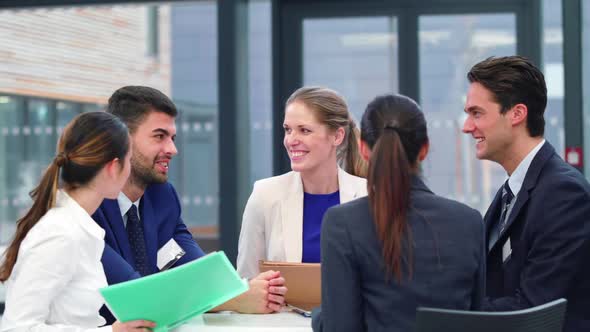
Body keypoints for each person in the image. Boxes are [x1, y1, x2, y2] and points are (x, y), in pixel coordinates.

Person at [92, 86, 287, 324]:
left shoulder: (162, 196)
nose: (173, 150)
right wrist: (236, 297)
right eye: (159, 136)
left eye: (172, 138)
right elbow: (137, 299)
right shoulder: (88, 208)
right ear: (121, 141)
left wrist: (231, 290)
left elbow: (198, 273)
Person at [312, 94, 485, 332]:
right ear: (424, 149)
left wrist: (320, 316)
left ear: (363, 149)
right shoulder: (469, 222)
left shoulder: (342, 224)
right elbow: (478, 318)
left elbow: (340, 327)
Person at [462, 55, 590, 331]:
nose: (466, 126)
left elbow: (535, 308)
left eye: (477, 113)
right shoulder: (511, 191)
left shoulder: (564, 194)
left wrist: (453, 308)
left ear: (517, 114)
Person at [0, 112, 154, 332]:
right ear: (113, 167)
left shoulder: (79, 227)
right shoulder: (61, 234)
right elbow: (16, 329)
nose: (131, 170)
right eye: (129, 160)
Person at [237, 86, 367, 279]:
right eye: (287, 130)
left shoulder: (369, 196)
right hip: (283, 311)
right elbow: (246, 281)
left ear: (337, 136)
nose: (291, 140)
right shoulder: (265, 195)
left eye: (304, 130)